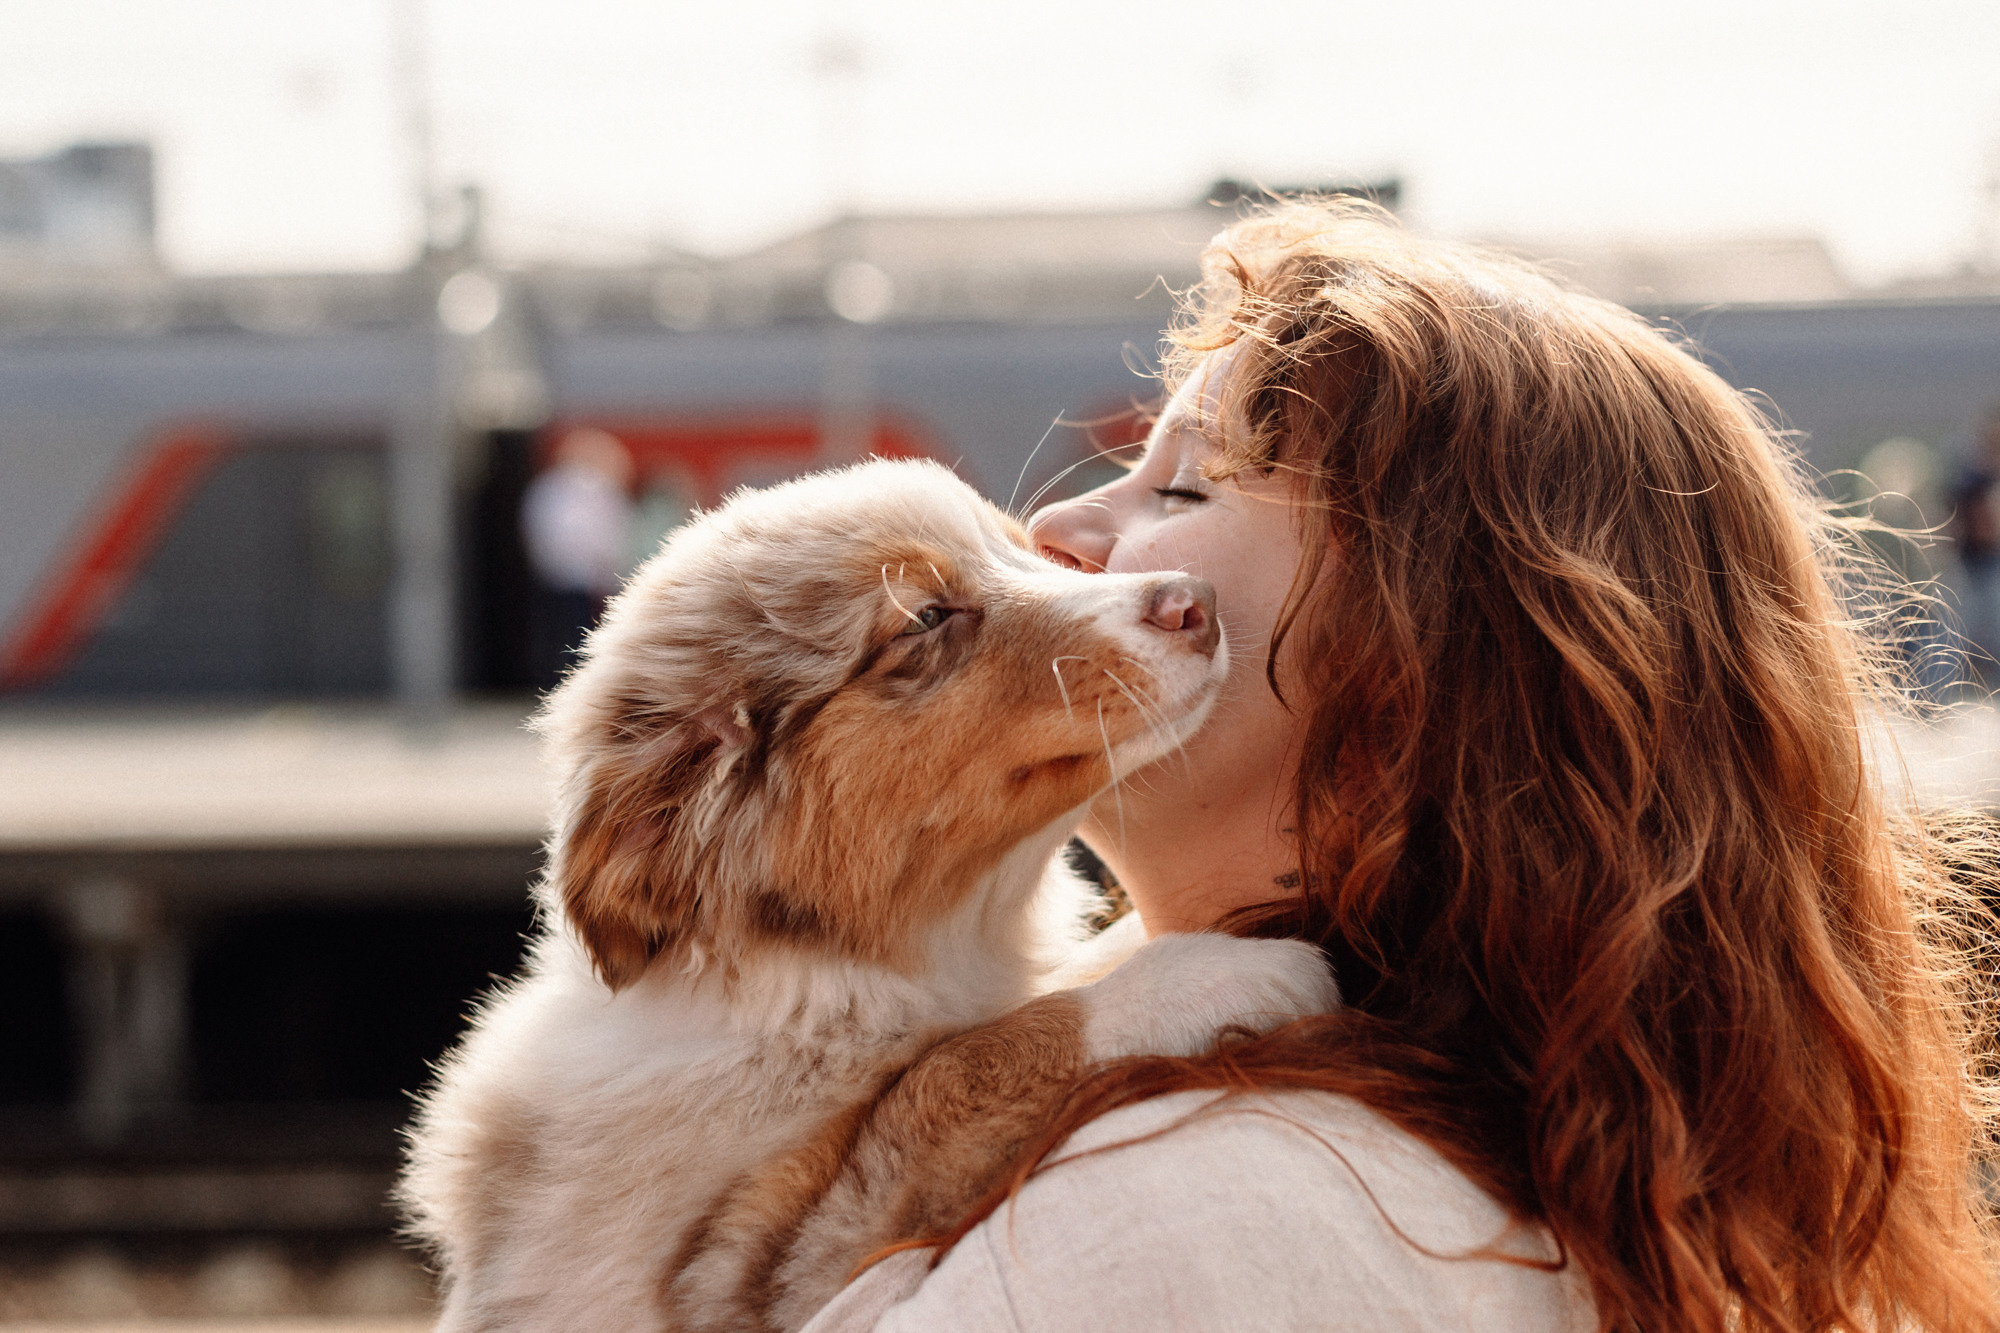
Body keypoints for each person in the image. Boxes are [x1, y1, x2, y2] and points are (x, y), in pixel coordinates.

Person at [800, 200, 2000, 1332]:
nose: (1051, 533)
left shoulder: (1168, 1230)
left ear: (1417, 676)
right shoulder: (1573, 1179)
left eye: (1182, 483)